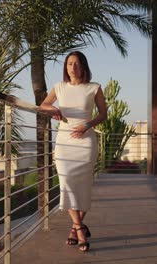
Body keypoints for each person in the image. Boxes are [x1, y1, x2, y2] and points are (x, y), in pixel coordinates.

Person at [39, 51, 107, 252]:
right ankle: (79, 228)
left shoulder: (94, 88)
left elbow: (103, 114)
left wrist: (87, 124)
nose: (73, 67)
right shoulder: (59, 87)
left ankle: (74, 230)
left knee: (82, 186)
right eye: (69, 64)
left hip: (85, 142)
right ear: (65, 67)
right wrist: (53, 110)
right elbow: (43, 104)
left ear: (83, 66)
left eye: (76, 64)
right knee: (67, 183)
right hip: (64, 142)